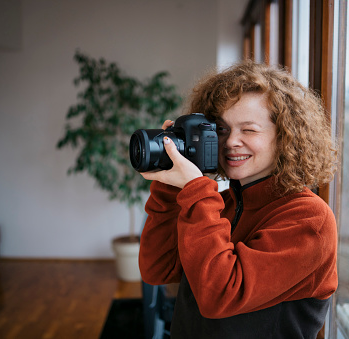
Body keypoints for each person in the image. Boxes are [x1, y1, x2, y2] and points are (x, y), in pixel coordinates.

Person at [138, 61, 338, 339]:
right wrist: (170, 186)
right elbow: (156, 269)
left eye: (249, 130)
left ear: (285, 137)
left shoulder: (308, 219)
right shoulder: (218, 204)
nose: (231, 141)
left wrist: (195, 189)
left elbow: (219, 295)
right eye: (221, 129)